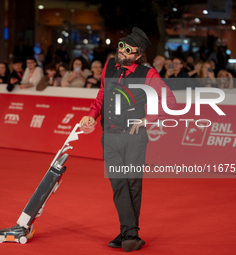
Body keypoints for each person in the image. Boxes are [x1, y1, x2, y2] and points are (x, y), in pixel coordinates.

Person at [80, 27, 176, 252]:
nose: (121, 51)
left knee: (132, 184)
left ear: (139, 53)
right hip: (109, 137)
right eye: (121, 46)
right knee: (119, 184)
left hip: (134, 138)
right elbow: (102, 94)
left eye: (127, 49)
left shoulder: (148, 73)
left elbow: (169, 102)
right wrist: (91, 115)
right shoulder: (110, 65)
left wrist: (146, 119)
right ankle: (130, 233)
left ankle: (128, 232)